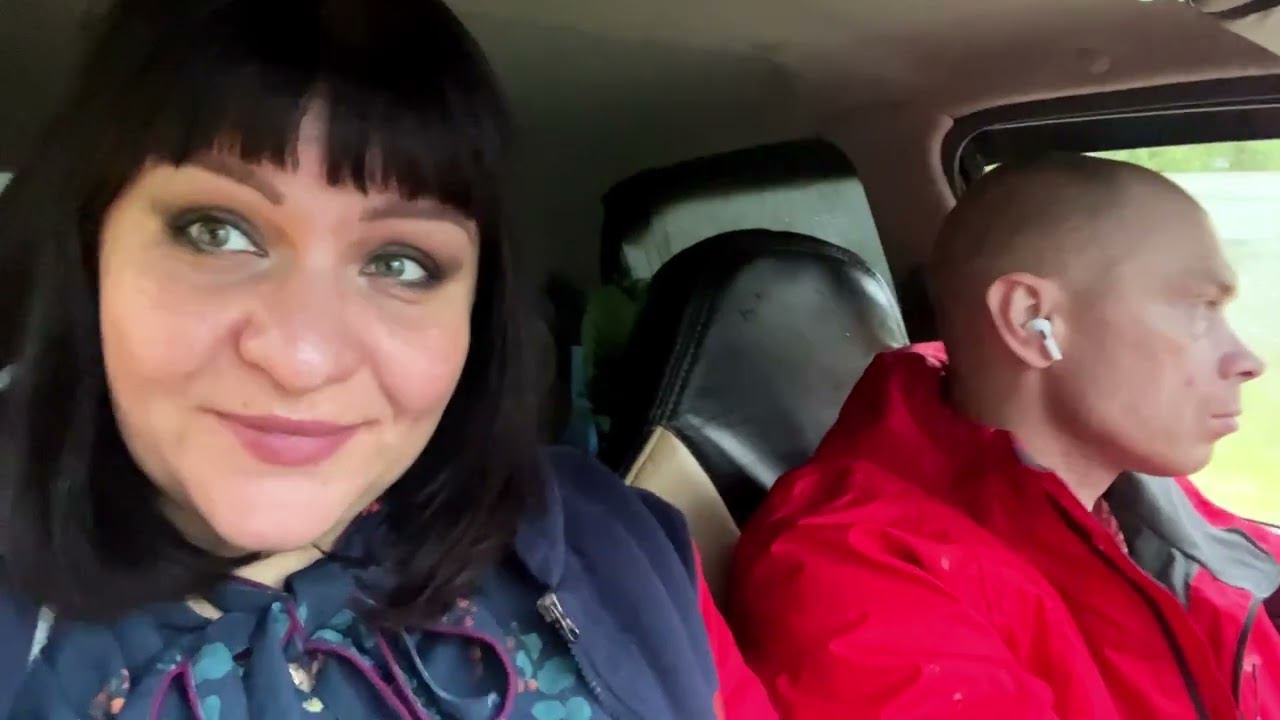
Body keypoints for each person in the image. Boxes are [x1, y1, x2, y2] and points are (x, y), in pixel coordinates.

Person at [0, 1, 775, 718]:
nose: (303, 359)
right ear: (88, 255)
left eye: (400, 263)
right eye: (216, 232)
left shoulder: (613, 541)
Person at [732, 154, 1280, 718]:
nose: (1246, 360)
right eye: (1198, 308)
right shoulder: (856, 572)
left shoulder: (1127, 492)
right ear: (1031, 321)